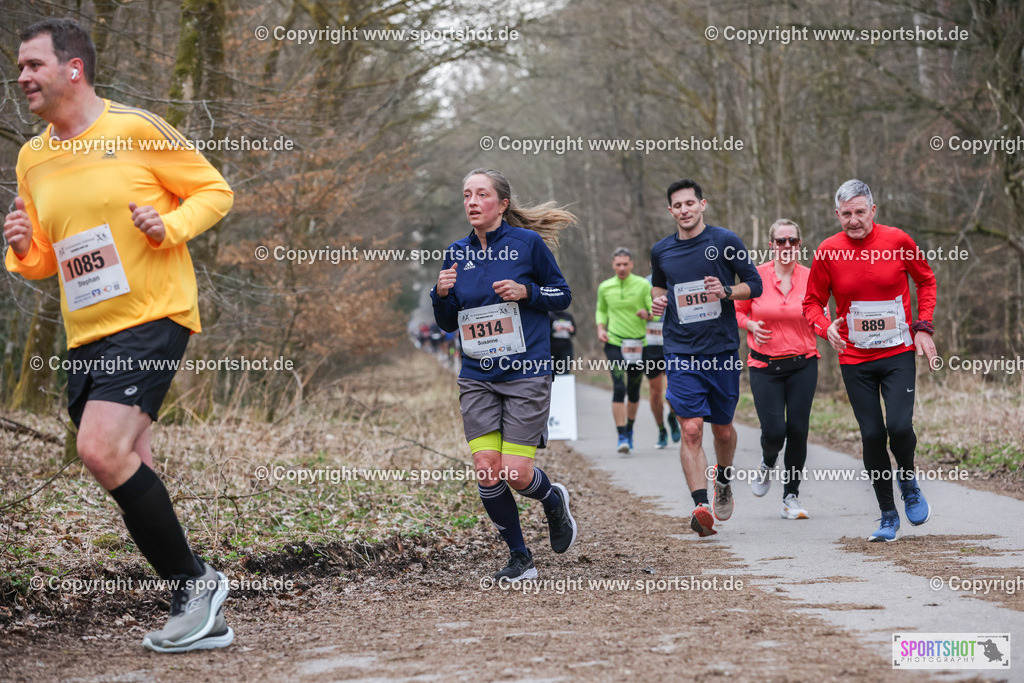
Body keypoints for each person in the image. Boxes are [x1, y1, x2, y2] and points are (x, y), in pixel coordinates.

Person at [5, 19, 234, 651]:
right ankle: (199, 609)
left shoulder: (134, 130)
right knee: (131, 462)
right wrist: (25, 249)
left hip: (152, 314)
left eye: (33, 65)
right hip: (87, 331)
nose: (21, 76)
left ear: (72, 69)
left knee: (100, 450)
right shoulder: (34, 155)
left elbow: (214, 192)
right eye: (20, 66)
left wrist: (169, 226)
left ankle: (195, 584)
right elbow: (47, 256)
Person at [431, 168, 579, 581]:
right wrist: (440, 294)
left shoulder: (527, 244)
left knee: (516, 474)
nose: (472, 202)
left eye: (481, 194)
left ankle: (552, 500)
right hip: (477, 374)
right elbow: (446, 323)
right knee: (486, 467)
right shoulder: (456, 253)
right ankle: (520, 557)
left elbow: (562, 294)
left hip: (525, 372)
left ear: (502, 203)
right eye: (466, 195)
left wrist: (527, 292)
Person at [803, 179, 938, 542]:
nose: (853, 220)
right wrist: (822, 326)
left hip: (897, 352)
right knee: (872, 434)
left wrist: (923, 327)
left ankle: (908, 480)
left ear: (873, 211)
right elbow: (812, 302)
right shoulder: (828, 251)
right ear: (837, 214)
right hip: (854, 358)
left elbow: (926, 281)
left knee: (898, 426)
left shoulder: (898, 241)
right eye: (846, 214)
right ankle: (887, 515)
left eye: (860, 212)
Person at [651, 178, 762, 537]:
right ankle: (701, 506)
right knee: (691, 428)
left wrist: (727, 291)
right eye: (677, 206)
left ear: (703, 205)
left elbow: (754, 284)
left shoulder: (725, 241)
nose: (684, 210)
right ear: (671, 211)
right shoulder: (661, 250)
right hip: (680, 350)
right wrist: (657, 300)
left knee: (723, 429)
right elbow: (658, 285)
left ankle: (724, 480)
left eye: (689, 203)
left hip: (722, 350)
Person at [735, 219, 823, 519]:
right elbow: (735, 311)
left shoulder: (812, 277)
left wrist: (832, 330)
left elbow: (818, 316)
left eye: (792, 241)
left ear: (800, 244)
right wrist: (749, 324)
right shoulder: (755, 276)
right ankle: (767, 462)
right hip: (764, 365)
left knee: (798, 430)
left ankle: (791, 497)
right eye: (781, 241)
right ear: (771, 244)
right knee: (774, 432)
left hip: (803, 363)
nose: (787, 247)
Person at [595, 247, 653, 453]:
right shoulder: (605, 287)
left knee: (634, 390)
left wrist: (646, 313)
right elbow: (601, 310)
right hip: (614, 342)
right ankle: (621, 435)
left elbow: (653, 311)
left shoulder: (642, 284)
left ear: (632, 264)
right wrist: (601, 329)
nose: (621, 268)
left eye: (625, 264)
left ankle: (629, 428)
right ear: (612, 264)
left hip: (637, 344)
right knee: (619, 386)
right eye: (618, 264)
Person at [643, 274, 680, 449]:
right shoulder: (644, 283)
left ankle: (672, 417)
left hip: (674, 343)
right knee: (656, 391)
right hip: (651, 344)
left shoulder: (679, 277)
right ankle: (661, 429)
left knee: (672, 387)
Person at [548, 309, 576, 374]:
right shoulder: (549, 315)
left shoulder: (568, 316)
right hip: (552, 348)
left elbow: (574, 332)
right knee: (553, 372)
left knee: (565, 371)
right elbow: (544, 333)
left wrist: (571, 330)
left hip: (566, 348)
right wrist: (554, 330)